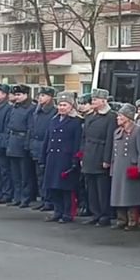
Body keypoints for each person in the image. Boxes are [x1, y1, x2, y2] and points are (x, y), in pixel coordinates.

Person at [43, 92, 83, 223]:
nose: (61, 108)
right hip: (53, 157)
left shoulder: (76, 121)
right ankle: (57, 211)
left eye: (64, 105)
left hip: (66, 158)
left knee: (66, 188)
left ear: (71, 106)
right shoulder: (54, 120)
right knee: (54, 187)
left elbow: (77, 142)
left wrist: (75, 160)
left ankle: (67, 213)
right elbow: (47, 139)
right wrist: (44, 155)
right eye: (60, 105)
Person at [81, 88, 117, 227]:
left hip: (100, 153)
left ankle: (104, 215)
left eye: (96, 99)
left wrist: (107, 159)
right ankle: (95, 213)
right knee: (90, 187)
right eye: (93, 99)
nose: (93, 102)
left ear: (104, 100)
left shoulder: (111, 117)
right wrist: (82, 154)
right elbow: (84, 138)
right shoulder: (90, 116)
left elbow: (110, 139)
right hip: (89, 154)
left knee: (102, 188)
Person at [110, 103, 140, 231]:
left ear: (128, 117)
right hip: (119, 167)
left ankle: (132, 220)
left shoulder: (138, 131)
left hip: (131, 167)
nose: (118, 118)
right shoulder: (117, 131)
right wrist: (112, 168)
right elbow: (113, 153)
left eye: (121, 116)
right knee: (118, 194)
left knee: (130, 195)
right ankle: (121, 219)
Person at [5, 85, 35, 208]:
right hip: (13, 141)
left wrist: (27, 145)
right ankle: (17, 197)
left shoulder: (31, 108)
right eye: (16, 95)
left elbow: (30, 128)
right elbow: (9, 125)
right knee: (15, 173)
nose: (16, 97)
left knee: (25, 174)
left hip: (22, 142)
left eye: (19, 95)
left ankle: (25, 197)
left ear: (26, 95)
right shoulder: (14, 108)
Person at [28, 87, 57, 212]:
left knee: (46, 175)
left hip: (45, 146)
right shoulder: (37, 111)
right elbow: (32, 128)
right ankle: (44, 199)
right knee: (39, 175)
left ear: (50, 97)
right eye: (39, 95)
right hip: (36, 145)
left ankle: (50, 200)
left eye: (43, 95)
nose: (40, 98)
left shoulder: (53, 112)